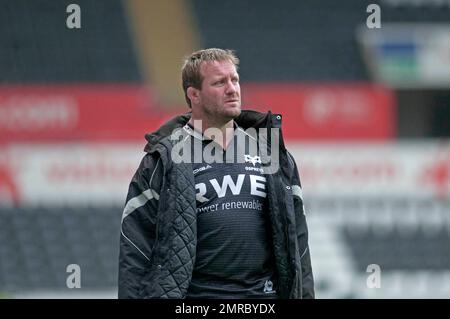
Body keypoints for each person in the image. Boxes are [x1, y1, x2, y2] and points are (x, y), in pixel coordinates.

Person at [118, 48, 314, 299]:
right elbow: (135, 248)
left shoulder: (272, 152)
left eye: (235, 79)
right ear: (194, 94)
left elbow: (297, 242)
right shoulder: (162, 160)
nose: (232, 89)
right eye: (220, 82)